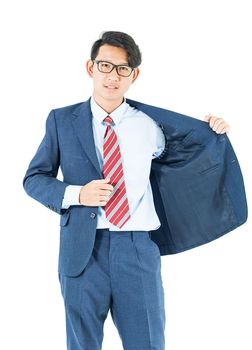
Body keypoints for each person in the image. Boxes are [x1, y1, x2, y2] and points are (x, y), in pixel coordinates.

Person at [23, 31, 247, 350]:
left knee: (148, 344)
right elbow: (34, 178)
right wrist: (76, 195)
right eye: (105, 66)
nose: (112, 76)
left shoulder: (150, 124)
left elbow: (193, 152)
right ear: (91, 68)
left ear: (134, 75)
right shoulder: (61, 121)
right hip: (82, 253)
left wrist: (212, 130)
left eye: (122, 69)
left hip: (137, 250)